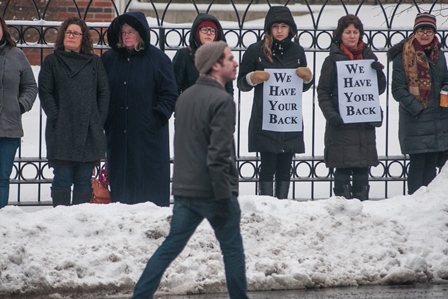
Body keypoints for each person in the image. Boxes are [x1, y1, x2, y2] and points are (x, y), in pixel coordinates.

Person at [132, 41, 249, 299]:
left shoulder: (184, 98)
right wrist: (222, 196)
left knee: (169, 248)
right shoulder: (223, 100)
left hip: (186, 190)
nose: (236, 62)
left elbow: (187, 145)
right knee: (232, 251)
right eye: (230, 58)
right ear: (215, 65)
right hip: (215, 191)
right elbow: (218, 154)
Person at [101, 12, 178, 206]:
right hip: (118, 134)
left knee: (149, 193)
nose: (126, 35)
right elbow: (99, 92)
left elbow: (170, 94)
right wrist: (107, 119)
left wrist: (156, 118)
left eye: (131, 31)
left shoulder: (158, 60)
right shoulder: (108, 60)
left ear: (141, 33)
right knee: (121, 192)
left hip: (149, 137)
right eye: (123, 32)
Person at [237, 6, 313, 199]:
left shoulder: (297, 51)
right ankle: (267, 205)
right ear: (269, 28)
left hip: (289, 119)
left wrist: (308, 79)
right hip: (265, 119)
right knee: (268, 164)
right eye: (276, 26)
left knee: (285, 166)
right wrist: (252, 77)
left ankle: (283, 204)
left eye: (284, 26)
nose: (279, 30)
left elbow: (301, 87)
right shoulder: (256, 51)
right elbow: (241, 84)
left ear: (290, 29)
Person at [39, 17, 110, 207]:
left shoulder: (95, 63)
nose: (71, 36)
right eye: (68, 32)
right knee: (62, 179)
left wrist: (98, 119)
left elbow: (103, 93)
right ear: (63, 36)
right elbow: (45, 92)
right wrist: (56, 116)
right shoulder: (52, 61)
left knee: (83, 180)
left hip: (88, 130)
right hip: (60, 130)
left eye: (76, 33)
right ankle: (60, 223)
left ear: (83, 38)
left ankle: (80, 225)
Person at [317, 14, 386, 201]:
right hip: (341, 127)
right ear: (340, 35)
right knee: (343, 170)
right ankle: (342, 209)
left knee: (363, 170)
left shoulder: (369, 57)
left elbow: (379, 89)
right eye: (348, 32)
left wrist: (379, 74)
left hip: (364, 126)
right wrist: (332, 116)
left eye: (355, 32)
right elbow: (323, 92)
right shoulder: (332, 60)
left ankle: (362, 211)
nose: (352, 36)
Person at [388, 12, 448, 195]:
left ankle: (428, 206)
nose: (425, 34)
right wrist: (417, 109)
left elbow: (445, 79)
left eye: (429, 31)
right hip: (415, 118)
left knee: (431, 164)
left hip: (437, 117)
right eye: (421, 30)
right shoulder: (403, 55)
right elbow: (398, 89)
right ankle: (415, 203)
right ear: (415, 32)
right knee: (418, 164)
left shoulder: (439, 54)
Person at [0, 16, 37, 208]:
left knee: (1, 179)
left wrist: (19, 106)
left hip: (8, 130)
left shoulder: (17, 55)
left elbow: (30, 86)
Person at [172, 13, 233, 95]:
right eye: (204, 29)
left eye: (212, 30)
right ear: (197, 32)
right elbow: (174, 87)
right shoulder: (184, 55)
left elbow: (228, 90)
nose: (209, 33)